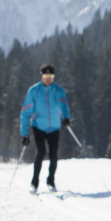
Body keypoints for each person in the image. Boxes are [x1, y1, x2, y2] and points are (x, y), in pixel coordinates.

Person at [19, 63, 71, 194]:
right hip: (38, 126)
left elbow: (64, 106)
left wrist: (66, 118)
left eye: (51, 76)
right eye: (46, 75)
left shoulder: (58, 90)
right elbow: (25, 113)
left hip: (54, 127)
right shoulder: (34, 91)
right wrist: (24, 134)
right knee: (41, 153)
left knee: (54, 156)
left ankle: (50, 181)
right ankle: (34, 182)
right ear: (41, 76)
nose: (49, 78)